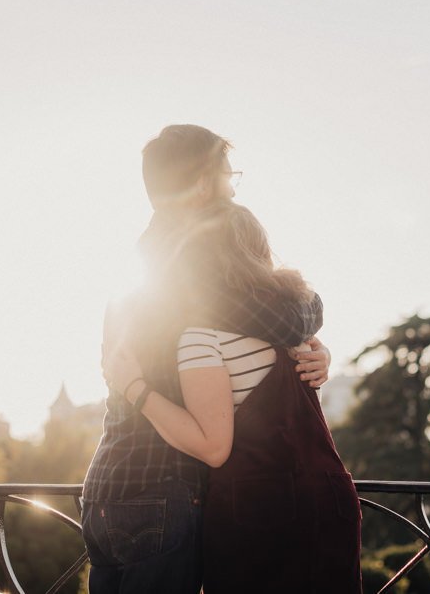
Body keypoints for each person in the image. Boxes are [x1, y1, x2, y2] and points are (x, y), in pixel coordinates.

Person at [80, 125, 332, 594]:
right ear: (201, 183)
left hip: (106, 487)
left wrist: (316, 347)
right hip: (162, 491)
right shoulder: (192, 263)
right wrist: (312, 316)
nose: (233, 187)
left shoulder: (143, 258)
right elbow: (285, 319)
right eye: (227, 174)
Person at [106, 201, 362, 593]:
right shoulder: (293, 331)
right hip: (331, 504)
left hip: (260, 513)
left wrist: (135, 388)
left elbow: (212, 447)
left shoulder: (203, 336)